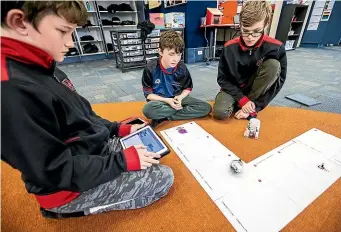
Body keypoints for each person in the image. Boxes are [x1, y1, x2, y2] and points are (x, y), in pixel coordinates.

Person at [1, 1, 173, 218]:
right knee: (163, 178)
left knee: (148, 149)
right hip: (67, 188)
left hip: (88, 151)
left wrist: (116, 129)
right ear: (19, 22)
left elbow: (82, 115)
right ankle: (76, 209)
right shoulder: (10, 91)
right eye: (63, 31)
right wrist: (121, 161)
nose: (71, 43)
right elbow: (52, 170)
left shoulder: (40, 64)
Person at [213, 0, 287, 120]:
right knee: (220, 113)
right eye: (245, 31)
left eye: (257, 31)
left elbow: (279, 82)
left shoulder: (276, 48)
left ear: (265, 25)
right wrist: (242, 100)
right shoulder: (229, 47)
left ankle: (248, 105)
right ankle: (240, 103)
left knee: (273, 66)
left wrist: (255, 106)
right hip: (233, 88)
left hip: (256, 91)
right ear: (240, 24)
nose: (250, 37)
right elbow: (222, 79)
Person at [142, 30, 212, 128]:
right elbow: (148, 95)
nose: (176, 59)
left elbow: (187, 88)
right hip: (160, 101)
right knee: (148, 110)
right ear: (160, 51)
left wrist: (180, 97)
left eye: (179, 55)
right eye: (171, 54)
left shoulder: (182, 67)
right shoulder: (150, 68)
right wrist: (167, 101)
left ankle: (164, 117)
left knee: (206, 108)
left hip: (178, 99)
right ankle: (179, 112)